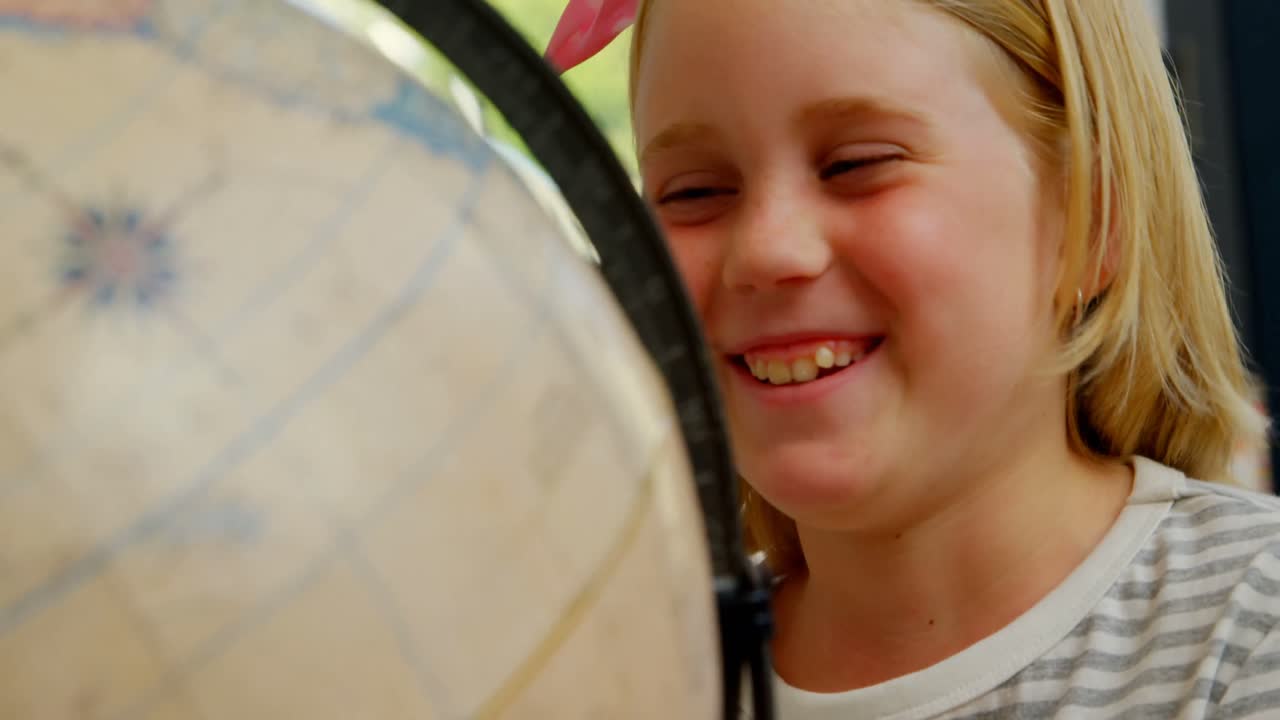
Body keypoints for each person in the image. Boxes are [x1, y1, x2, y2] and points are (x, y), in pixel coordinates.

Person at [551, 1, 1280, 717]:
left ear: (1092, 219)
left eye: (856, 164)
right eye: (694, 191)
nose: (767, 249)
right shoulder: (630, 682)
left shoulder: (1253, 625)